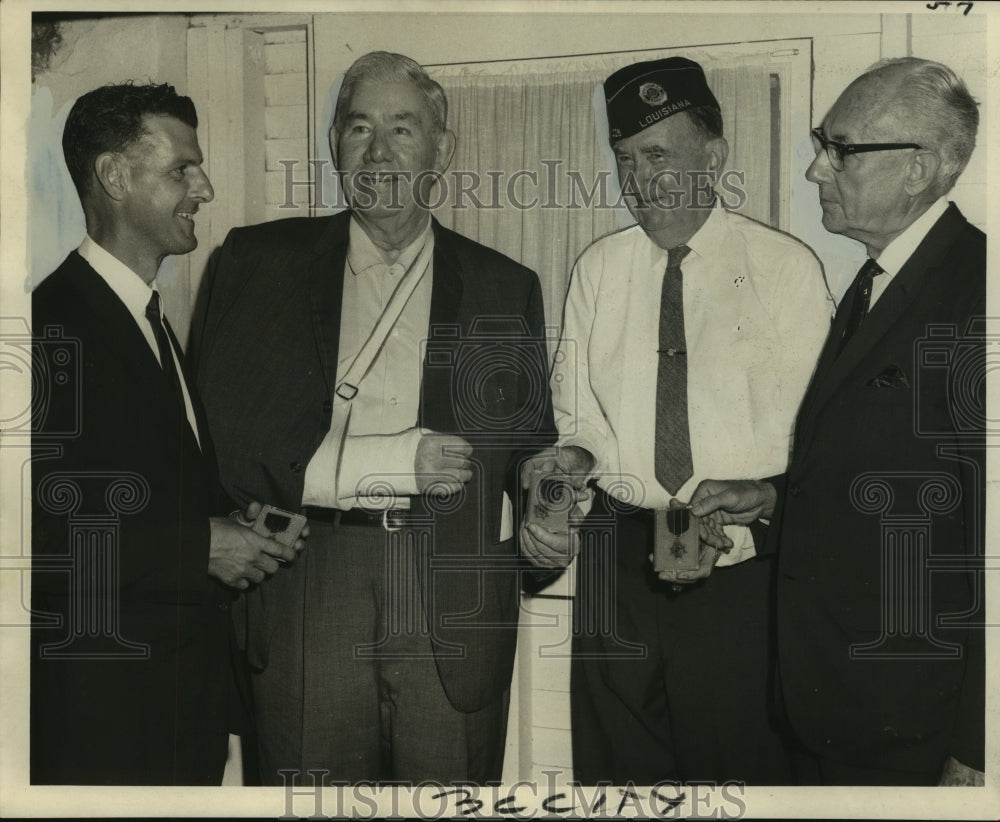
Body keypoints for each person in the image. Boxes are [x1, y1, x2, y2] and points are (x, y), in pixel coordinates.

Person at [191, 51, 554, 784]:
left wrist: (553, 505)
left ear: (442, 149)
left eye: (402, 129)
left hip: (452, 592)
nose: (379, 153)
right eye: (359, 130)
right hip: (307, 584)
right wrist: (388, 459)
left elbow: (528, 451)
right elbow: (222, 440)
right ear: (334, 145)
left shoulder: (503, 286)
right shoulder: (260, 261)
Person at [520, 57, 831, 784]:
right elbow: (581, 418)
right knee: (616, 779)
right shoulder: (599, 269)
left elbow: (810, 441)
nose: (639, 178)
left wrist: (753, 510)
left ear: (713, 155)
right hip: (616, 563)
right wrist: (569, 464)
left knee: (738, 779)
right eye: (626, 159)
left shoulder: (785, 268)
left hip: (737, 571)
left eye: (658, 154)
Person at [687, 57, 985, 786]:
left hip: (910, 724)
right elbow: (892, 478)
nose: (817, 170)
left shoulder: (976, 293)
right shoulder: (872, 284)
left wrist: (978, 748)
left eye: (841, 149)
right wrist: (774, 498)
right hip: (829, 702)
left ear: (917, 169)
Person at [30, 82, 305, 785]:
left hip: (181, 710)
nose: (204, 187)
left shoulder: (148, 323)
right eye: (181, 168)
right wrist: (199, 546)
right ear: (115, 178)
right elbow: (35, 532)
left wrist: (235, 525)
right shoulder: (49, 324)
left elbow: (131, 495)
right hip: (104, 723)